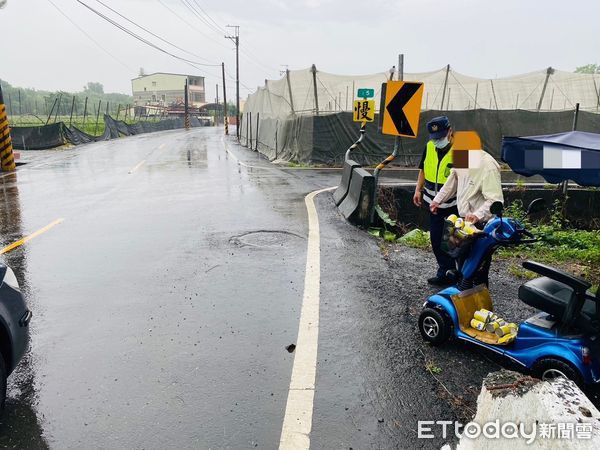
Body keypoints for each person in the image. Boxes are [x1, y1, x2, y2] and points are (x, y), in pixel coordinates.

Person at [430, 147, 504, 287]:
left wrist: (477, 215)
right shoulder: (463, 157)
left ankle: (479, 302)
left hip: (481, 224)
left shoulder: (488, 166)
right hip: (464, 221)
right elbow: (452, 181)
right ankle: (463, 297)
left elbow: (495, 200)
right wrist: (437, 200)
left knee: (477, 268)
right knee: (462, 262)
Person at [413, 116, 458, 286]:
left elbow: (466, 178)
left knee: (453, 242)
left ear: (450, 131)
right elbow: (423, 168)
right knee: (436, 240)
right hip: (433, 204)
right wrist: (418, 189)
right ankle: (444, 272)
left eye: (440, 136)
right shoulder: (429, 146)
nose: (437, 141)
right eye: (435, 138)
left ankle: (457, 274)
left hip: (454, 205)